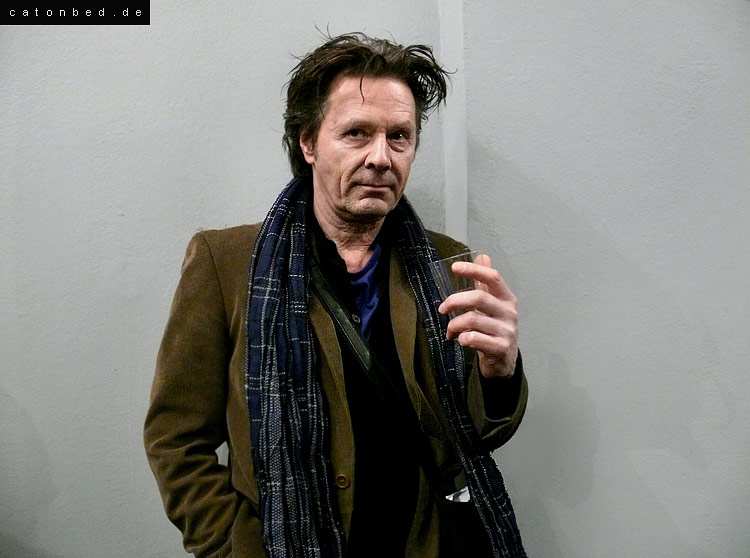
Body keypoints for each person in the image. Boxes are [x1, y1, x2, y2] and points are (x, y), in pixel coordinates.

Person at [144, 32, 528, 558]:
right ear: (308, 143)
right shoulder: (227, 264)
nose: (381, 157)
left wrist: (500, 372)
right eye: (356, 133)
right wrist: (229, 548)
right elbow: (176, 438)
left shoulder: (447, 264)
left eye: (400, 137)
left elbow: (475, 434)